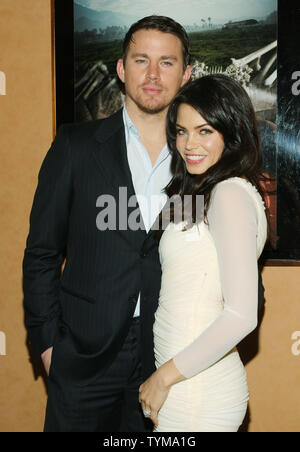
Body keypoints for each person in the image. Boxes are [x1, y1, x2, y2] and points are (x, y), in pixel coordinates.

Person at [22, 15, 191, 432]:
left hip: (166, 355)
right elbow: (42, 253)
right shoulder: (74, 147)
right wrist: (47, 346)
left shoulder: (200, 161)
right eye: (140, 60)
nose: (152, 74)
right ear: (121, 68)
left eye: (167, 62)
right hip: (82, 358)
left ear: (187, 74)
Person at [138, 75, 268, 432]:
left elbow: (242, 315)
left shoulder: (229, 194)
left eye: (205, 131)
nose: (188, 144)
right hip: (186, 382)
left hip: (196, 391)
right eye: (181, 131)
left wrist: (163, 378)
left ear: (232, 132)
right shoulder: (207, 192)